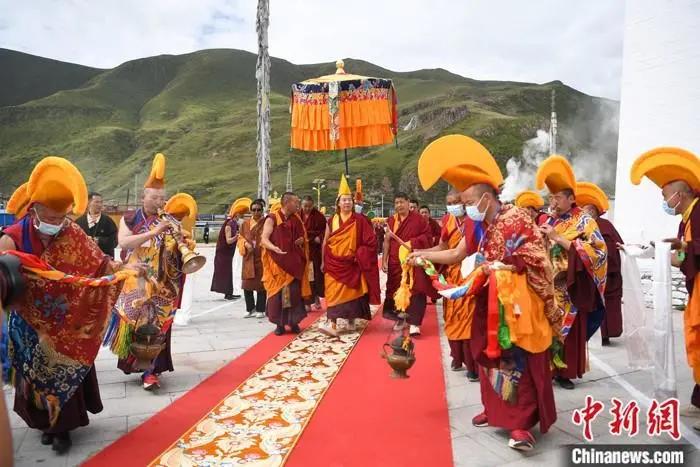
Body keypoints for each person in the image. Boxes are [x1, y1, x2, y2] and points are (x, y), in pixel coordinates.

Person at [411, 134, 559, 451]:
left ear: (486, 199)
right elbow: (457, 254)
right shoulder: (487, 226)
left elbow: (537, 258)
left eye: (467, 204)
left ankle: (520, 425)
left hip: (516, 307)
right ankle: (496, 410)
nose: (464, 209)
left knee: (514, 361)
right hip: (490, 301)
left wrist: (502, 267)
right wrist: (422, 256)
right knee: (489, 358)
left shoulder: (515, 217)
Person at [0, 157, 130, 454]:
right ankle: (44, 424)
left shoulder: (71, 231)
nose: (58, 224)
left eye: (62, 217)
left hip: (66, 321)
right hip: (28, 322)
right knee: (32, 371)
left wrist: (120, 269)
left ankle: (63, 429)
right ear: (34, 210)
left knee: (63, 368)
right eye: (52, 218)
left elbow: (98, 262)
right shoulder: (13, 238)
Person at [630, 147, 700, 430]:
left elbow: (690, 250)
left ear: (679, 195)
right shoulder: (685, 220)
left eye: (664, 196)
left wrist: (682, 246)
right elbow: (685, 258)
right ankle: (698, 402)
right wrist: (654, 253)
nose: (664, 202)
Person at [109, 153, 187, 391]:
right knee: (138, 325)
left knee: (157, 324)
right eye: (154, 197)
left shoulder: (171, 220)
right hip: (138, 280)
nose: (159, 202)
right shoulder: (130, 218)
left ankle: (151, 371)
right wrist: (154, 232)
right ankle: (138, 365)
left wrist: (181, 242)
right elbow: (124, 243)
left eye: (162, 198)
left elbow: (177, 251)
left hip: (163, 282)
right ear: (143, 197)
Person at [535, 155, 608, 390]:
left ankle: (564, 372)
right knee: (547, 328)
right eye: (551, 197)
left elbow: (598, 251)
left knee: (570, 331)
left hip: (570, 287)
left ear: (571, 198)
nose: (553, 202)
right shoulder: (550, 219)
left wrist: (559, 239)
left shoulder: (584, 220)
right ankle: (547, 369)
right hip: (549, 286)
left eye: (557, 197)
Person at [422, 190, 479, 380]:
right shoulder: (447, 220)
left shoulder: (475, 220)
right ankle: (457, 356)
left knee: (468, 317)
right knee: (452, 316)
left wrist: (425, 254)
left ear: (464, 203)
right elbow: (443, 248)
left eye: (456, 202)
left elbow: (458, 253)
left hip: (471, 273)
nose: (453, 205)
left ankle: (472, 365)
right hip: (452, 275)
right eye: (449, 202)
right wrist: (421, 251)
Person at [319, 175, 381, 336]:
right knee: (332, 292)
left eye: (349, 200)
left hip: (353, 264)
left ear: (353, 203)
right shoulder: (332, 220)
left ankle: (352, 319)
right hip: (334, 263)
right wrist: (323, 260)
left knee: (353, 292)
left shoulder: (359, 220)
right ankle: (332, 323)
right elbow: (326, 241)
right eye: (344, 200)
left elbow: (371, 242)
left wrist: (359, 255)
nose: (347, 202)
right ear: (338, 203)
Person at [382, 193, 437, 336]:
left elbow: (427, 237)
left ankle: (415, 323)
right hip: (395, 262)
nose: (399, 205)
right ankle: (401, 317)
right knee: (396, 289)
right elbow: (387, 241)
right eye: (396, 203)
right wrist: (384, 260)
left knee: (416, 290)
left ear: (408, 203)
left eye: (401, 202)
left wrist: (412, 243)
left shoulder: (418, 220)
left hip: (413, 260)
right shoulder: (391, 220)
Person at [578, 182, 624, 346]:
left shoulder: (606, 225)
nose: (588, 212)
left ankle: (607, 334)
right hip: (590, 271)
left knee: (609, 304)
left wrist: (608, 249)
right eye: (585, 209)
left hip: (609, 272)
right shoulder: (581, 225)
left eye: (591, 209)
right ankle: (593, 334)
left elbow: (619, 244)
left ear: (597, 211)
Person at [261, 192, 310, 335]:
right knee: (277, 296)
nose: (298, 205)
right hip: (277, 262)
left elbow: (303, 237)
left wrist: (301, 240)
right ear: (287, 202)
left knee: (294, 294)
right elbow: (264, 239)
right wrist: (273, 247)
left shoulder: (297, 219)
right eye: (296, 202)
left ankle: (293, 323)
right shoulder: (272, 218)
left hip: (293, 263)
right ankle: (279, 325)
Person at [211, 198, 249, 300]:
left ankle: (229, 292)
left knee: (228, 272)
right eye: (241, 214)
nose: (242, 216)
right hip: (223, 252)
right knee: (226, 272)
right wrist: (237, 237)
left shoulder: (234, 223)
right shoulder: (229, 224)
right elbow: (228, 241)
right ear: (237, 214)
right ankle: (228, 293)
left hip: (228, 253)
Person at [239, 199, 267, 318]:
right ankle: (250, 308)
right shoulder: (245, 224)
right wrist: (245, 244)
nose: (256, 212)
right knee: (247, 283)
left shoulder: (266, 222)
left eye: (258, 210)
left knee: (261, 284)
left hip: (261, 256)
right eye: (254, 210)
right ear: (250, 211)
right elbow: (240, 237)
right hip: (248, 256)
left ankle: (260, 309)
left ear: (262, 210)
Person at [301, 195, 326, 311]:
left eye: (309, 206)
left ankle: (315, 298)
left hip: (314, 251)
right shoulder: (297, 215)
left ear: (313, 205)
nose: (307, 209)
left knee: (315, 277)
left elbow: (325, 232)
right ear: (301, 205)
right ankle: (306, 302)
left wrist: (319, 238)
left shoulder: (319, 217)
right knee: (305, 278)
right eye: (305, 206)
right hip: (302, 251)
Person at [75, 192, 118, 258]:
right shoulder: (79, 222)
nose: (100, 205)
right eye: (97, 202)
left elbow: (114, 240)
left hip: (103, 258)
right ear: (88, 203)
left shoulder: (108, 221)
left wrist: (98, 240)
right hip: (83, 258)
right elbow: (74, 241)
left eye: (101, 202)